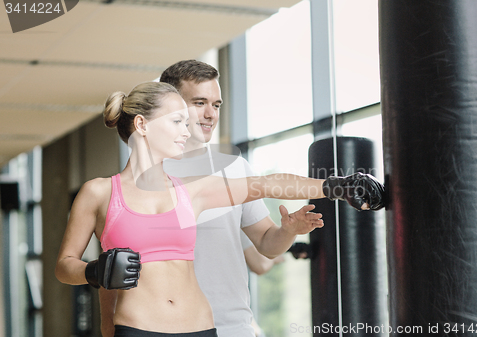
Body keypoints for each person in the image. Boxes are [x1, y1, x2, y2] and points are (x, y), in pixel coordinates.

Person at [55, 81, 384, 336]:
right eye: (177, 121)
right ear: (142, 124)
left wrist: (336, 186)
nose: (187, 131)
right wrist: (93, 271)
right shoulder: (99, 192)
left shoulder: (192, 193)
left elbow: (265, 184)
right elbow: (63, 265)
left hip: (200, 327)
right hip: (139, 329)